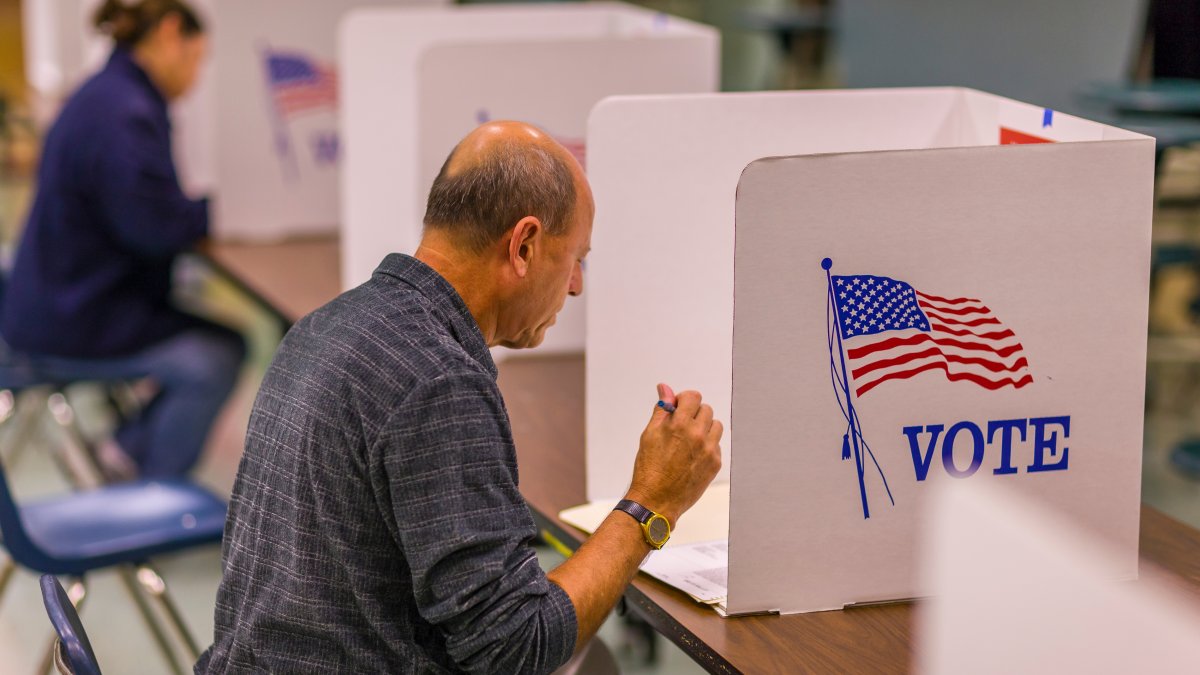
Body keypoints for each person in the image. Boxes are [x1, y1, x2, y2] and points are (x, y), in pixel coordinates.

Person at [197, 121, 723, 673]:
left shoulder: (329, 324)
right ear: (523, 245)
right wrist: (652, 502)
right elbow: (515, 648)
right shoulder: (438, 381)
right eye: (576, 259)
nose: (576, 286)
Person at [0, 0, 244, 479]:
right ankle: (147, 491)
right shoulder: (124, 113)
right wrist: (219, 212)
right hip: (71, 323)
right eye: (197, 59)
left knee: (211, 336)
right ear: (171, 33)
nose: (196, 78)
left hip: (55, 302)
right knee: (216, 356)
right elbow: (152, 228)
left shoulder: (105, 95)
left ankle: (122, 453)